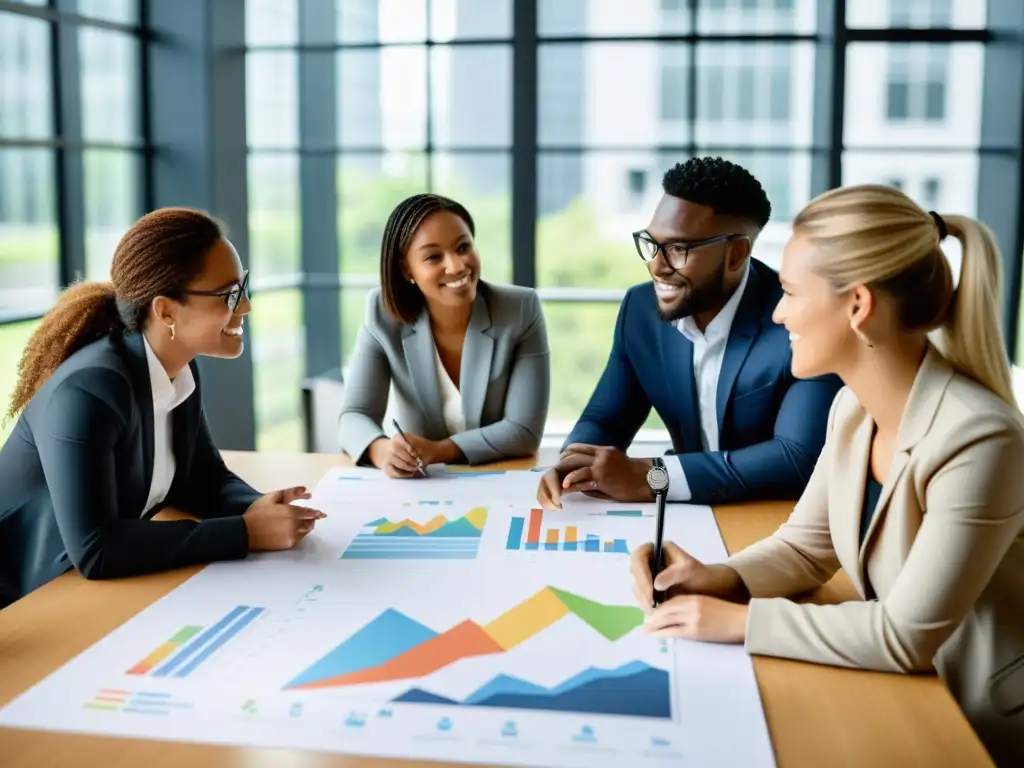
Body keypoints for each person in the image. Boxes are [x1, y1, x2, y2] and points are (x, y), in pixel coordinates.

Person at [629, 185, 1024, 766]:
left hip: (975, 723)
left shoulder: (980, 440)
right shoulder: (852, 408)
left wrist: (739, 621)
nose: (777, 311)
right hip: (901, 693)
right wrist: (719, 578)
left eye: (788, 292)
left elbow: (902, 638)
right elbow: (806, 549)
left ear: (857, 305)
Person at [0, 208, 325, 610]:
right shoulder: (88, 391)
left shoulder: (178, 366)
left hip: (87, 594)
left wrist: (253, 505)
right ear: (166, 310)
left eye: (243, 288)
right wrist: (244, 533)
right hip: (26, 608)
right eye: (229, 295)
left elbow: (202, 479)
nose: (245, 308)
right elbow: (96, 549)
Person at [538, 157, 842, 509]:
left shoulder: (798, 320)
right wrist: (573, 461)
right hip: (688, 518)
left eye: (678, 249)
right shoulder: (641, 310)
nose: (656, 265)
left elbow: (797, 459)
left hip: (774, 516)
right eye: (652, 243)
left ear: (736, 254)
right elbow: (605, 418)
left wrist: (653, 478)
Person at [339, 193, 550, 475]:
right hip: (422, 487)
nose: (456, 266)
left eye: (463, 247)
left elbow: (523, 431)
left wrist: (438, 451)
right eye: (433, 257)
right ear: (406, 269)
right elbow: (354, 416)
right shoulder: (382, 314)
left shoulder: (520, 310)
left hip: (498, 476)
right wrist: (382, 450)